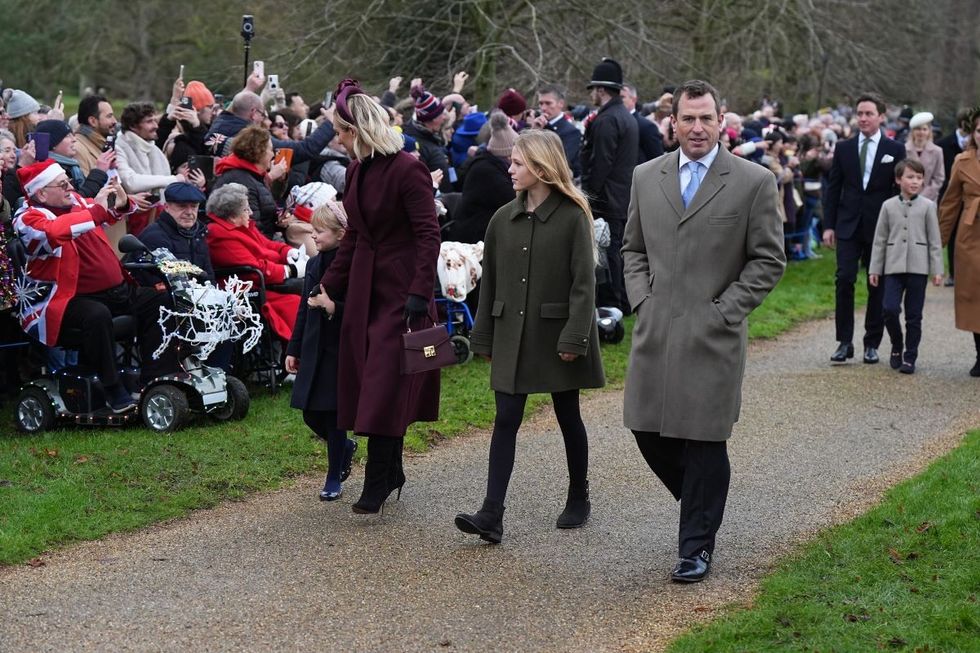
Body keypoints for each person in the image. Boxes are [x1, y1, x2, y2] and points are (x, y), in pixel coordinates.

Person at [622, 80, 785, 582]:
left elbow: (768, 259)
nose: (696, 128)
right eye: (687, 118)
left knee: (705, 441)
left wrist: (725, 311)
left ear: (722, 121)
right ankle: (701, 505)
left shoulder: (753, 181)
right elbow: (632, 249)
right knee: (646, 429)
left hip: (714, 335)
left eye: (705, 118)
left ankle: (695, 545)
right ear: (672, 122)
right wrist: (641, 300)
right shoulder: (646, 176)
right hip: (655, 331)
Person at [454, 129, 605, 544]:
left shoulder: (574, 216)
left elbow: (583, 284)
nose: (510, 169)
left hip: (556, 335)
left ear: (541, 168)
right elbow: (491, 283)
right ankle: (491, 514)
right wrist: (481, 336)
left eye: (517, 163)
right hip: (511, 334)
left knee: (567, 416)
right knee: (505, 418)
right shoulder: (502, 219)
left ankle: (579, 496)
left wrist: (576, 337)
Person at [319, 79, 441, 515]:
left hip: (402, 288)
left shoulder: (408, 168)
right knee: (368, 382)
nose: (337, 137)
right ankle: (391, 470)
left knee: (386, 383)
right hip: (366, 290)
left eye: (340, 129)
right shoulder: (356, 170)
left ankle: (379, 476)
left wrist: (418, 292)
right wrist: (330, 283)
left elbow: (429, 234)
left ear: (358, 129)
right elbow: (355, 236)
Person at [12, 160, 177, 412]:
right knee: (95, 315)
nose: (70, 186)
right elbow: (57, 232)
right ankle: (113, 389)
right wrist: (98, 209)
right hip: (64, 301)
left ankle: (153, 377)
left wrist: (121, 201)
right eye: (62, 183)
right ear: (41, 192)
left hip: (115, 291)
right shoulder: (28, 218)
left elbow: (105, 212)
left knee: (160, 301)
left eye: (69, 180)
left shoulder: (75, 202)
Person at [822, 93, 905, 365]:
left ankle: (872, 342)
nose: (863, 118)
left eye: (869, 113)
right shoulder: (844, 149)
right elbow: (833, 188)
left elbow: (898, 191)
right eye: (859, 113)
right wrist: (829, 225)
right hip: (847, 224)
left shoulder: (895, 150)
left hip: (880, 227)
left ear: (881, 116)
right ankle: (844, 342)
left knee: (876, 284)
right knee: (844, 278)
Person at [285, 202, 358, 501]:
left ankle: (332, 476)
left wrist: (333, 308)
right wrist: (294, 347)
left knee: (333, 414)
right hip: (314, 347)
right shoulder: (315, 264)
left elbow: (357, 307)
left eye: (319, 231)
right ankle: (344, 448)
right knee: (310, 413)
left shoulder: (351, 263)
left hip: (338, 349)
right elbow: (304, 308)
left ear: (341, 234)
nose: (313, 236)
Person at [868, 159, 944, 374]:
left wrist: (937, 270)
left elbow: (934, 241)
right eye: (910, 177)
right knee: (889, 309)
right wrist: (875, 269)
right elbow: (880, 239)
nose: (915, 181)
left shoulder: (929, 206)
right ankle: (896, 344)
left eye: (919, 178)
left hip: (918, 268)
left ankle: (910, 356)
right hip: (893, 266)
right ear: (898, 179)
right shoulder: (888, 205)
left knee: (914, 315)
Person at [205, 182, 305, 343]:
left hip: (265, 284)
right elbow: (253, 270)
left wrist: (287, 252)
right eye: (246, 209)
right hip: (250, 291)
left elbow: (268, 245)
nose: (251, 213)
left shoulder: (242, 226)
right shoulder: (218, 234)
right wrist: (291, 270)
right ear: (231, 215)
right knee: (298, 304)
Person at [580, 58, 638, 311]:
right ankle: (622, 300)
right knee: (617, 250)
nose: (592, 94)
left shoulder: (606, 120)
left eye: (593, 89)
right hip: (621, 196)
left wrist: (588, 197)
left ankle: (614, 302)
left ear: (601, 90)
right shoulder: (623, 116)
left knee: (610, 251)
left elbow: (600, 164)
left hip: (607, 199)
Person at [939, 108, 980, 376]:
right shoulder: (962, 161)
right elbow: (950, 203)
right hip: (971, 236)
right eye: (979, 130)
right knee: (973, 297)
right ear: (974, 134)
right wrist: (936, 246)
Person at [114, 102, 188, 238]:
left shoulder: (153, 149)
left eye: (155, 120)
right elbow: (130, 181)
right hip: (130, 223)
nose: (155, 126)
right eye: (149, 121)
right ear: (133, 126)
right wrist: (173, 179)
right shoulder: (119, 146)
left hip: (156, 221)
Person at [449, 112, 517, 245]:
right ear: (507, 156)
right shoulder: (486, 170)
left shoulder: (491, 165)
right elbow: (514, 201)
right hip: (473, 240)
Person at [211, 124, 288, 238]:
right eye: (271, 149)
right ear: (259, 152)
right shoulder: (241, 181)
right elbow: (253, 229)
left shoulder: (253, 176)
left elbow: (264, 212)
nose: (273, 154)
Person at [136, 182, 214, 283]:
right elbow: (159, 284)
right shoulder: (154, 237)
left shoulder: (198, 234)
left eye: (194, 206)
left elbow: (209, 277)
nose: (189, 212)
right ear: (166, 207)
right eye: (182, 206)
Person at [34, 119, 112, 198]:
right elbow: (76, 199)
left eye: (73, 135)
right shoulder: (51, 170)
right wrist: (99, 172)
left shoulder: (71, 166)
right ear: (53, 144)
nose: (74, 140)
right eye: (67, 136)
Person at [936, 108, 971, 287]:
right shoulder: (943, 144)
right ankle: (953, 273)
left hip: (972, 200)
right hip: (951, 194)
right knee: (953, 236)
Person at [402, 83, 453, 193]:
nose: (445, 117)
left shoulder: (432, 137)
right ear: (432, 118)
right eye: (441, 115)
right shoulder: (415, 145)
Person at [532, 84, 581, 178]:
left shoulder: (571, 132)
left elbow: (561, 163)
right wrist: (533, 133)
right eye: (541, 103)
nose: (543, 108)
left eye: (548, 103)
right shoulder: (537, 126)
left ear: (561, 103)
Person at [904, 112, 944, 202]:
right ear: (912, 131)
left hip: (929, 199)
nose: (921, 132)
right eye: (918, 129)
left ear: (929, 131)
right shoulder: (903, 149)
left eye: (924, 129)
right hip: (906, 199)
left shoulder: (937, 151)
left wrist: (923, 196)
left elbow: (939, 178)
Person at [74, 95, 118, 176]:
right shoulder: (77, 149)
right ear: (93, 121)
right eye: (109, 116)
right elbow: (86, 187)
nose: (114, 121)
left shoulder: (102, 144)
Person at [622, 83, 664, 164]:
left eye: (622, 97)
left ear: (633, 99)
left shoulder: (646, 127)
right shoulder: (611, 123)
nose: (618, 100)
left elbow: (657, 160)